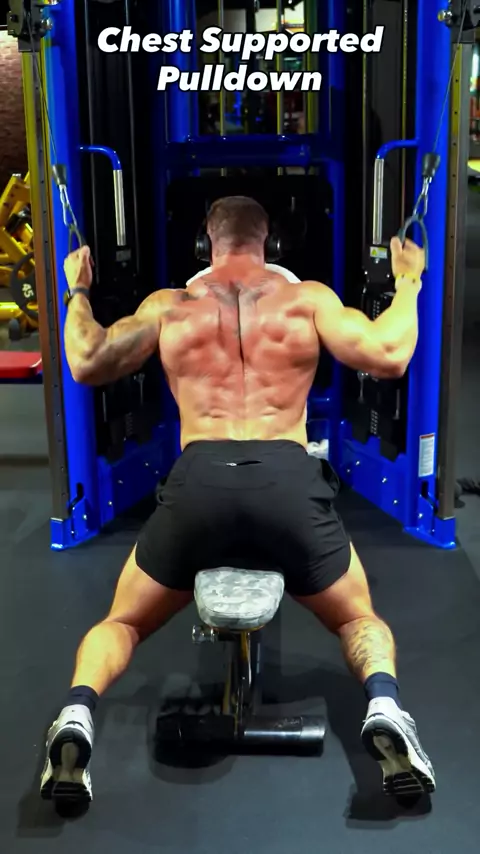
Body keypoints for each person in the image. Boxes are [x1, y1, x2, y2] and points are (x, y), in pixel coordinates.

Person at [40, 195, 434, 804]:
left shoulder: (170, 307)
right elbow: (389, 355)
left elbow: (86, 360)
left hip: (200, 482)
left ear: (206, 241)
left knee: (122, 622)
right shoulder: (308, 299)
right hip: (287, 481)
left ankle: (76, 712)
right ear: (270, 241)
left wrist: (79, 291)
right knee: (358, 618)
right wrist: (408, 281)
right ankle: (384, 705)